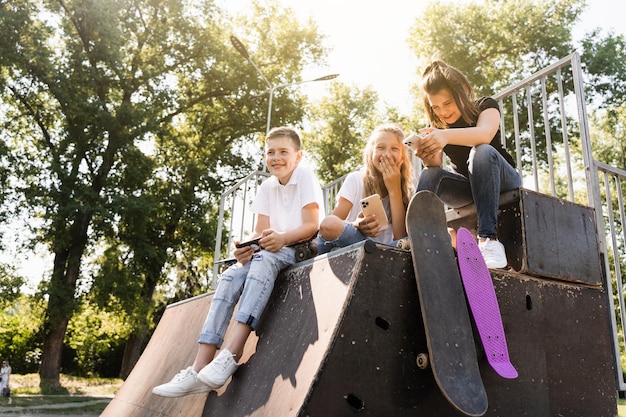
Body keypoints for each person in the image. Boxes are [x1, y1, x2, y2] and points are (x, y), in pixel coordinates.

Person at [152, 126, 324, 397]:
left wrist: (279, 239)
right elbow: (260, 231)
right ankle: (199, 366)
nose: (276, 158)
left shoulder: (304, 177)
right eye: (270, 152)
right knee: (231, 274)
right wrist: (245, 248)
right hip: (272, 248)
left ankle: (232, 353)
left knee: (264, 260)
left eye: (283, 152)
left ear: (298, 156)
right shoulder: (266, 187)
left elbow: (312, 226)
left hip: (298, 247)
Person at [413, 59, 522, 268]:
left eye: (447, 103)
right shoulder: (438, 125)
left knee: (481, 151)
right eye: (436, 107)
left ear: (462, 91)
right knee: (429, 175)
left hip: (503, 180)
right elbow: (435, 166)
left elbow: (484, 134)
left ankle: (488, 240)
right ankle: (419, 238)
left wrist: (444, 136)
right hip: (470, 188)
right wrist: (428, 155)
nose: (443, 112)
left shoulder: (485, 106)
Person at [317, 123, 414, 253]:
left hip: (388, 251)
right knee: (329, 224)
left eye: (394, 149)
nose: (387, 154)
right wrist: (357, 225)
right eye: (380, 147)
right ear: (371, 153)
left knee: (420, 239)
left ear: (402, 157)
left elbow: (400, 238)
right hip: (355, 245)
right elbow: (331, 227)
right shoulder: (356, 180)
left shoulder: (407, 190)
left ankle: (380, 255)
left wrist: (394, 190)